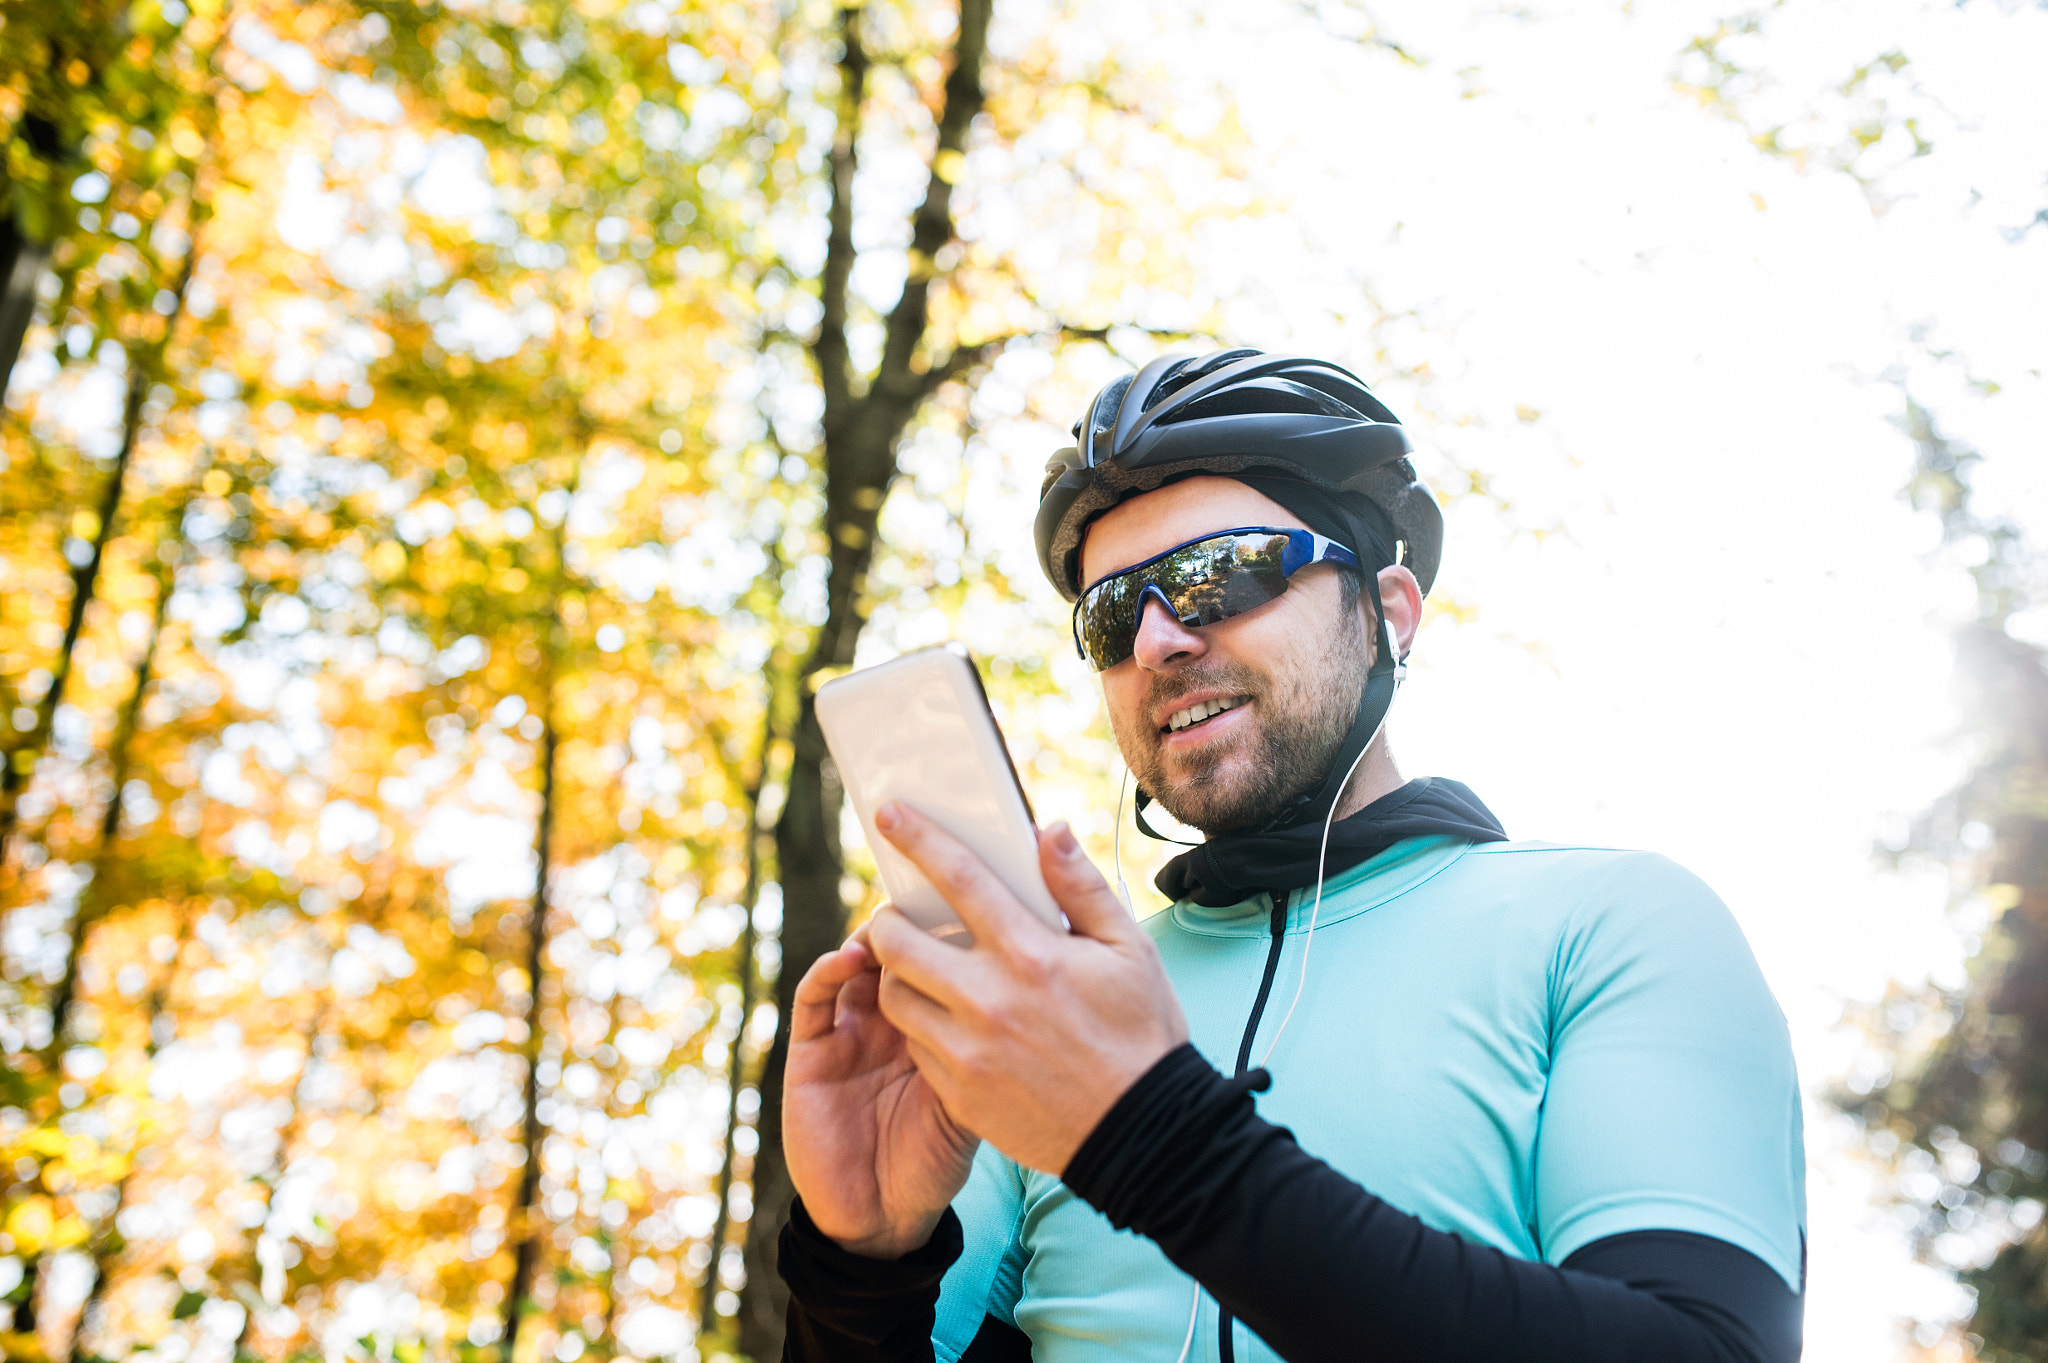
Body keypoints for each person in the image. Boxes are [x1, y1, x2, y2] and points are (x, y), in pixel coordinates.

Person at [773, 350, 1805, 1362]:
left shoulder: (1611, 923)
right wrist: (861, 1274)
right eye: (1111, 614)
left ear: (1387, 614)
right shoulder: (1051, 1012)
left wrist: (1147, 1133)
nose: (1157, 643)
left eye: (1219, 574)